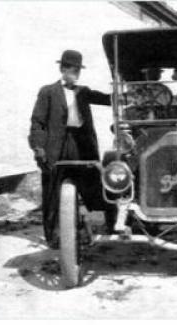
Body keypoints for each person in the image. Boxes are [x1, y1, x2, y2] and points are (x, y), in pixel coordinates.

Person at [28, 49, 114, 248]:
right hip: (56, 146)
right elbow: (38, 122)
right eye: (70, 69)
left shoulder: (83, 91)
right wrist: (38, 147)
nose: (74, 73)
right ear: (62, 69)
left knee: (91, 184)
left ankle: (92, 228)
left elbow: (107, 99)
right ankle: (53, 238)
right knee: (52, 192)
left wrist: (124, 93)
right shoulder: (48, 91)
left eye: (77, 70)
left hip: (81, 143)